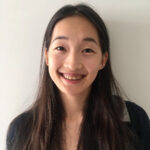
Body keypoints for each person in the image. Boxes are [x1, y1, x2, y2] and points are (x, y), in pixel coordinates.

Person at [6, 3, 150, 150]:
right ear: (47, 56)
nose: (73, 64)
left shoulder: (133, 119)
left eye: (87, 50)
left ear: (103, 60)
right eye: (61, 48)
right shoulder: (21, 129)